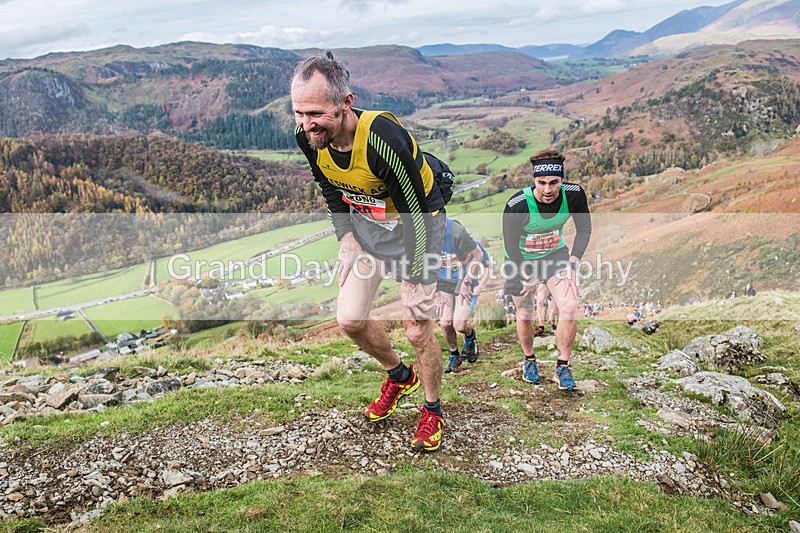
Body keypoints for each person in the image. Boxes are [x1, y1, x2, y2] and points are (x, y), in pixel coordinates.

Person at [291, 52, 448, 451]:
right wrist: (345, 237)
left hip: (415, 229)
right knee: (350, 320)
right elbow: (330, 187)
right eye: (298, 112)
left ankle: (432, 409)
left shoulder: (381, 140)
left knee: (416, 327)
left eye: (316, 113)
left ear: (346, 103)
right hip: (367, 233)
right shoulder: (309, 138)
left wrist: (420, 275)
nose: (307, 124)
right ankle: (399, 377)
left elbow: (419, 212)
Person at [501, 148, 592, 391]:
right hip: (521, 258)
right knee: (525, 312)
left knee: (570, 306)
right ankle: (529, 360)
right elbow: (510, 245)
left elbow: (584, 230)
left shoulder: (574, 195)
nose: (548, 190)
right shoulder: (517, 205)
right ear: (534, 181)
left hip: (555, 256)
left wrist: (572, 263)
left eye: (554, 182)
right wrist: (525, 274)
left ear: (562, 180)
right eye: (541, 183)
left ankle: (562, 366)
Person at [435, 219, 491, 373]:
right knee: (445, 323)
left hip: (464, 279)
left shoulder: (460, 237)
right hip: (443, 281)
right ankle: (454, 355)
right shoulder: (424, 237)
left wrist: (470, 283)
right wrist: (435, 291)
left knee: (459, 325)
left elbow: (483, 262)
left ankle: (470, 335)